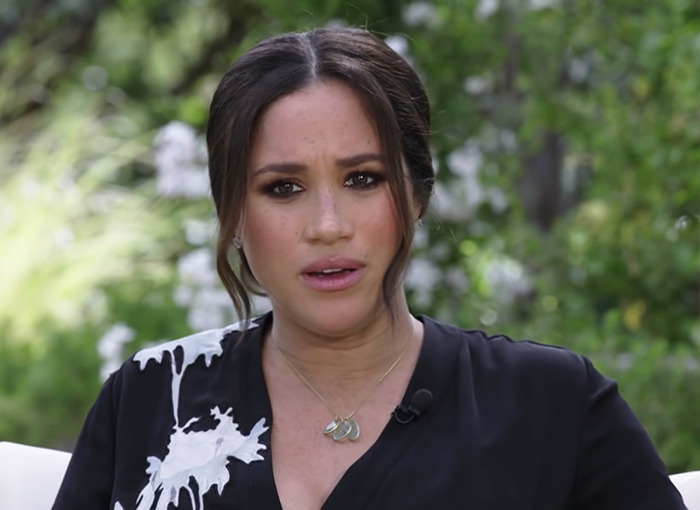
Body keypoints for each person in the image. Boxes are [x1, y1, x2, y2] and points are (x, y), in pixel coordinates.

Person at [53, 27, 687, 510]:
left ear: (416, 195)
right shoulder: (151, 399)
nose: (328, 225)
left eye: (363, 179)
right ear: (233, 215)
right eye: (282, 188)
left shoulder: (554, 406)